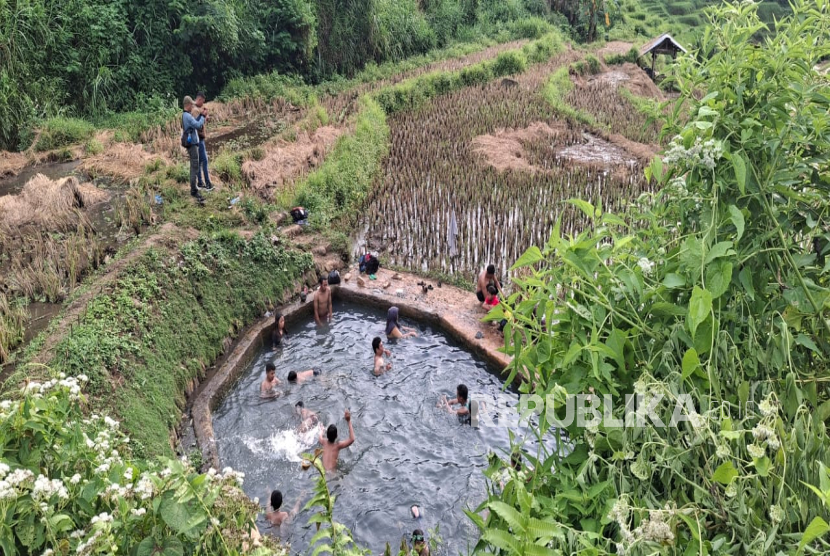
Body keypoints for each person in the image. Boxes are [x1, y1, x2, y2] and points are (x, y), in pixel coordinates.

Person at [181, 96, 206, 202]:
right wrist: (203, 117)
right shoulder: (187, 116)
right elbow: (198, 125)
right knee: (194, 166)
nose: (192, 106)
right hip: (193, 145)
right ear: (188, 105)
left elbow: (194, 123)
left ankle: (194, 188)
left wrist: (200, 115)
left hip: (191, 144)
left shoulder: (185, 115)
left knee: (194, 166)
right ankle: (194, 190)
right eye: (191, 104)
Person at [193, 92, 213, 191]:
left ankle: (200, 183)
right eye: (203, 102)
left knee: (200, 161)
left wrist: (205, 118)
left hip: (197, 139)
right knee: (204, 161)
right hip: (198, 139)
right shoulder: (195, 110)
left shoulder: (194, 109)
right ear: (199, 99)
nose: (203, 104)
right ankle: (208, 183)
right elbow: (197, 125)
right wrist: (203, 116)